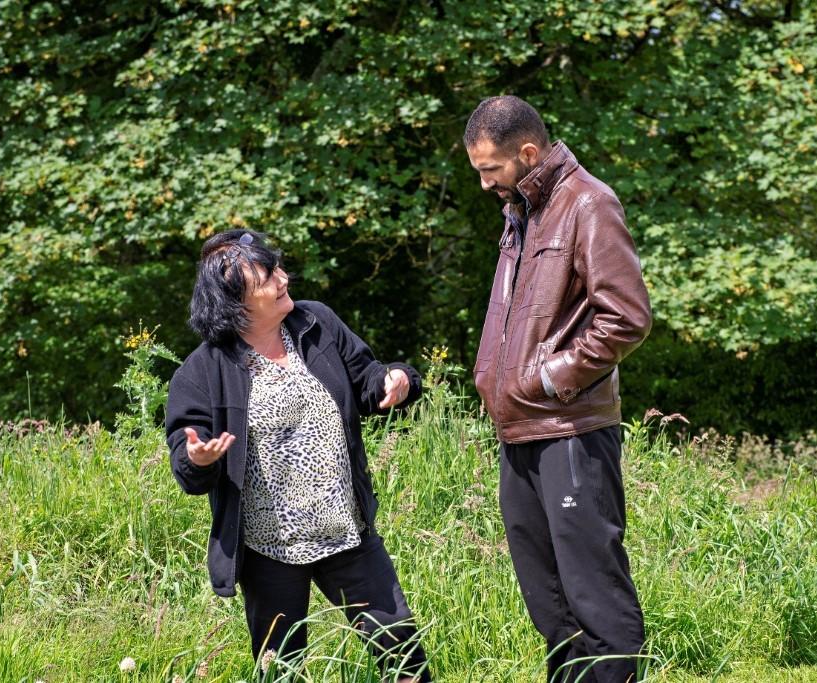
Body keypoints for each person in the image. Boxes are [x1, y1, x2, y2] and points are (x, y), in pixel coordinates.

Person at [165, 230, 430, 681]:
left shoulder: (317, 324)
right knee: (281, 670)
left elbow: (368, 377)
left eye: (277, 268)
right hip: (269, 552)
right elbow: (186, 463)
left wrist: (397, 379)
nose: (283, 279)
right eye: (267, 277)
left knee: (402, 656)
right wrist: (200, 459)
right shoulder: (204, 370)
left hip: (347, 533)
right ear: (236, 302)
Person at [463, 95, 652, 682]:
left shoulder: (587, 203)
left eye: (491, 170)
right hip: (517, 427)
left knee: (592, 589)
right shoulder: (522, 210)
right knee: (548, 599)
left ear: (526, 152)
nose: (486, 183)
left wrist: (552, 376)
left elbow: (626, 315)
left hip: (569, 427)